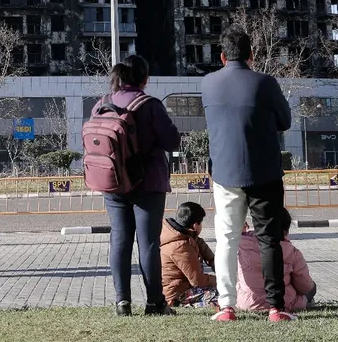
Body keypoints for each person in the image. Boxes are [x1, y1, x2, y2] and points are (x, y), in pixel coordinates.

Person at [201, 27, 295, 323]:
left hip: (225, 171)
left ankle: (226, 306)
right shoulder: (265, 82)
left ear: (222, 56)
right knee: (269, 240)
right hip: (264, 171)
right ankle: (276, 307)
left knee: (227, 238)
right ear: (251, 54)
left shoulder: (208, 83)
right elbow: (285, 121)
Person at [97, 55, 181, 317]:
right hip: (148, 182)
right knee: (148, 243)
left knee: (120, 240)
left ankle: (122, 302)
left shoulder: (102, 103)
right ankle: (155, 303)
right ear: (145, 78)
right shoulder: (149, 105)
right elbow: (172, 141)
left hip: (113, 181)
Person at [236, 210, 317, 312]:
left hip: (247, 302)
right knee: (311, 288)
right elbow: (304, 286)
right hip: (283, 300)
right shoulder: (291, 251)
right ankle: (308, 302)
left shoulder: (243, 245)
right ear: (285, 231)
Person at [160, 202, 218, 308]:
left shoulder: (177, 234)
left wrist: (212, 259)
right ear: (195, 225)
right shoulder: (181, 247)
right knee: (225, 294)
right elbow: (198, 280)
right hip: (177, 295)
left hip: (178, 288)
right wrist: (220, 280)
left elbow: (198, 242)